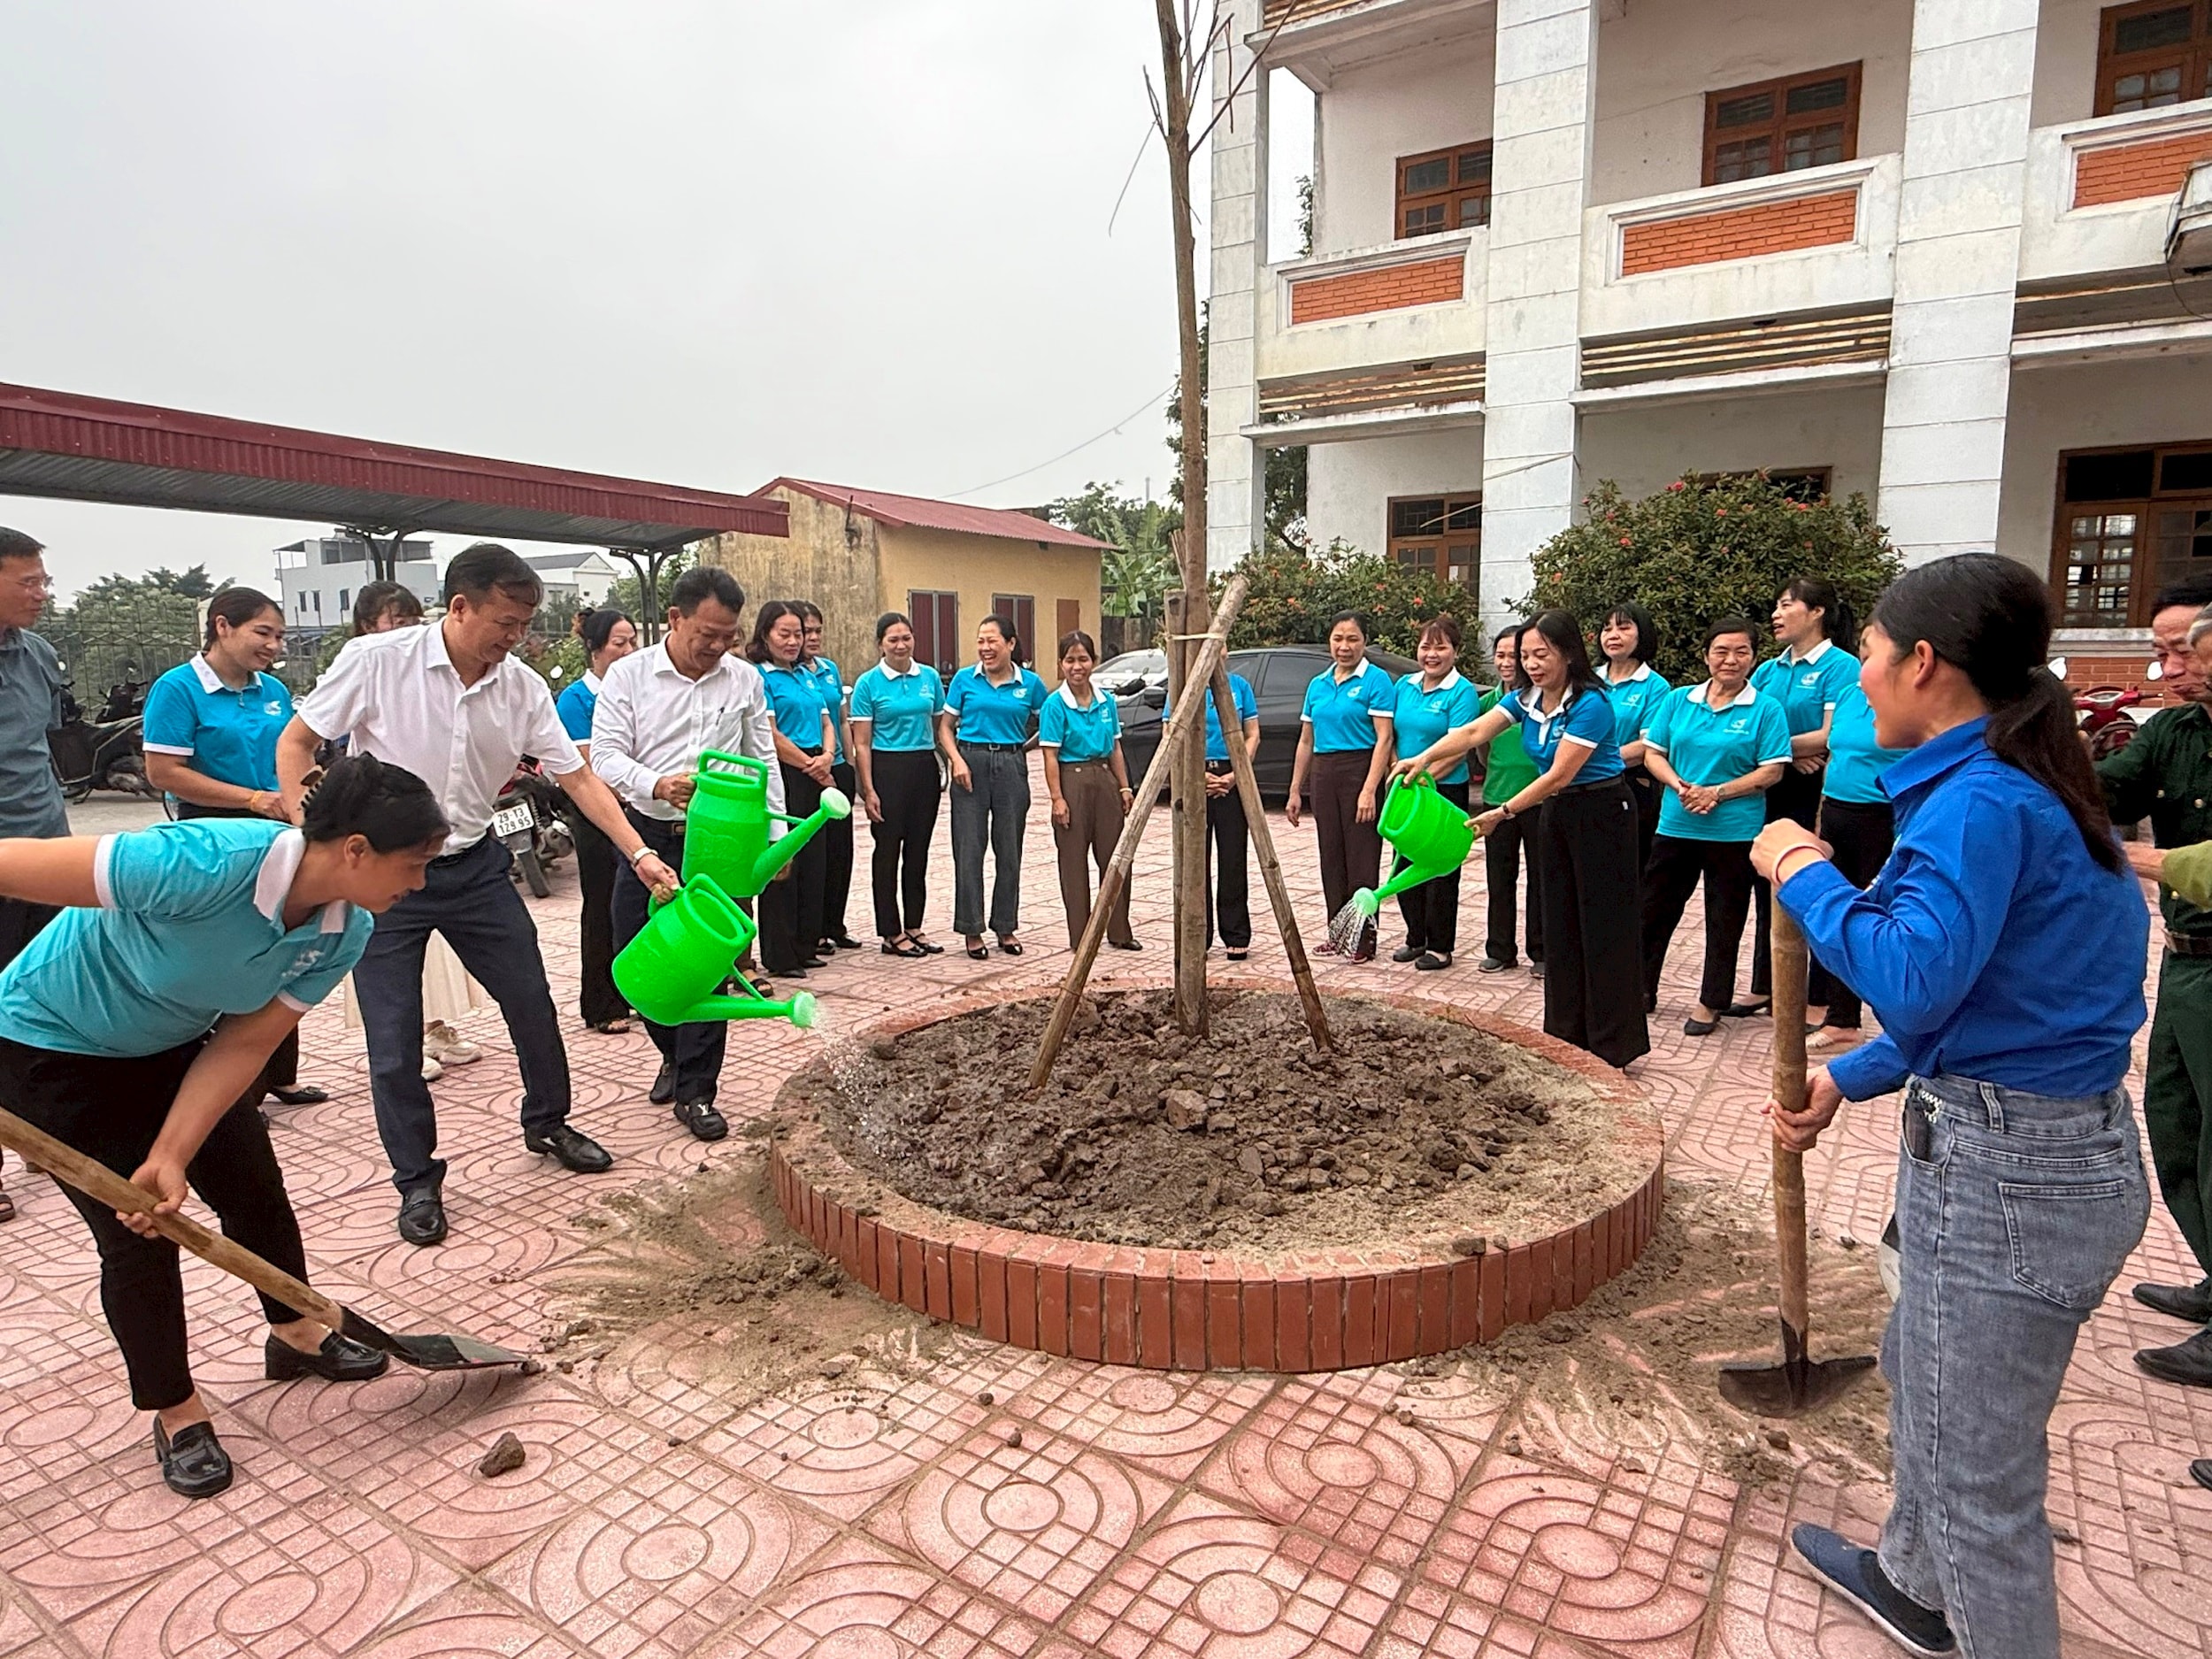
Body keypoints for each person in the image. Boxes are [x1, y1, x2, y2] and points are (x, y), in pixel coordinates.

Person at [1757, 553, 2149, 1659]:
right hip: (2032, 1144)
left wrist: (1801, 870)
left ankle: (1971, 1603)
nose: (1862, 685)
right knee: (1921, 1376)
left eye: (1871, 660)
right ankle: (1912, 1582)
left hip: (2008, 1179)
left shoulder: (1980, 803)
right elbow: (2002, 999)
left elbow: (1916, 975)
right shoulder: (2032, 784)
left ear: (1923, 664)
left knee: (1983, 1484)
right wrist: (1853, 1075)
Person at [0, 755, 450, 1496]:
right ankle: (175, 1408)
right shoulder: (202, 862)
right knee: (139, 1233)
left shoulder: (345, 931)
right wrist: (157, 1169)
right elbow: (16, 866)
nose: (421, 882)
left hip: (173, 1041)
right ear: (356, 850)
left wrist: (174, 1150)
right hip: (53, 1046)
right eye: (415, 863)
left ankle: (296, 1328)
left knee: (253, 1190)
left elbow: (244, 1041)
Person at [279, 543, 683, 1248]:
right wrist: (309, 843)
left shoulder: (521, 686)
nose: (515, 636)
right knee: (395, 1035)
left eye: (525, 622)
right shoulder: (378, 662)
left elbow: (579, 779)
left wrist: (639, 852)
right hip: (383, 885)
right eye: (505, 620)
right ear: (459, 606)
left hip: (474, 867)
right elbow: (297, 744)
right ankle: (416, 1180)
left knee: (530, 998)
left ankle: (548, 1121)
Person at [1398, 611, 1648, 1069]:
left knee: (1603, 927)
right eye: (1525, 655)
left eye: (1541, 654)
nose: (1531, 664)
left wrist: (1503, 812)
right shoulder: (1526, 697)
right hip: (1558, 813)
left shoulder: (1591, 704)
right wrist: (1424, 757)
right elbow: (1474, 731)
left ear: (1569, 653)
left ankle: (1614, 1043)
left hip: (1602, 813)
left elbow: (1559, 774)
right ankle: (1567, 1032)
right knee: (1560, 922)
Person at [592, 569, 780, 1138]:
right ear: (674, 619)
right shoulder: (627, 677)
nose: (718, 646)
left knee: (710, 968)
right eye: (708, 634)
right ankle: (671, 1050)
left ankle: (698, 1091)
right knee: (637, 957)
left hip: (718, 844)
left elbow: (762, 753)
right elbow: (602, 757)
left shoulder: (743, 679)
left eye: (728, 636)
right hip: (646, 837)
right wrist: (655, 784)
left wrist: (773, 834)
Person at [142, 588, 331, 1111]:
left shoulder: (269, 689)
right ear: (222, 627)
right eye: (263, 633)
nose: (273, 646)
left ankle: (279, 1075)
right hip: (213, 835)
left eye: (280, 636)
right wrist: (250, 798)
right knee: (226, 954)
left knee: (278, 948)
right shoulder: (177, 689)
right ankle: (231, 1092)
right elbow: (164, 772)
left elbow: (294, 753)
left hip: (276, 835)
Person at [2095, 574, 2212, 1383]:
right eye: (2164, 651)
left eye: (2185, 651)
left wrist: (2138, 859)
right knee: (2178, 1125)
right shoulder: (2174, 733)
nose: (2169, 669)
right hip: (2186, 959)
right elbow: (2102, 790)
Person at [343, 582, 480, 1082]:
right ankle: (401, 1044)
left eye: (411, 617)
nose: (404, 628)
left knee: (439, 957)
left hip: (439, 840)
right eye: (392, 619)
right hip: (384, 844)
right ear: (367, 625)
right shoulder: (364, 663)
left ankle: (437, 1026)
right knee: (388, 969)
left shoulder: (437, 669)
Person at [1636, 619, 1792, 1035]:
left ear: (1753, 658)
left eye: (1741, 652)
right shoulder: (1677, 700)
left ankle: (1711, 1001)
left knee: (1725, 919)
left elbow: (1772, 770)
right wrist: (1681, 786)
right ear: (1706, 656)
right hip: (1675, 824)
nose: (1731, 660)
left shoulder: (1766, 708)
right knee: (1654, 911)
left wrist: (1717, 793)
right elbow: (1654, 754)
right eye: (1721, 651)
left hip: (1734, 833)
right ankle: (1641, 988)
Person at [1740, 576, 1859, 1019]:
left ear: (1817, 612)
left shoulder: (1842, 668)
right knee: (1766, 883)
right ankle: (1765, 985)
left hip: (1818, 790)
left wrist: (1781, 749)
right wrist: (1789, 755)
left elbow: (1829, 736)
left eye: (1787, 604)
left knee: (1813, 883)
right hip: (1773, 783)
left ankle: (1818, 995)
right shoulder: (1768, 670)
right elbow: (1750, 732)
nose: (1776, 614)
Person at [0, 526, 67, 1224]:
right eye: (29, 581)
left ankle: (41, 1133)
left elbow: (38, 750)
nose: (42, 593)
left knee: (41, 996)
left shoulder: (38, 655)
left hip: (48, 858)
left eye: (43, 580)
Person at [1286, 612, 1395, 962]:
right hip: (1324, 772)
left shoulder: (1377, 681)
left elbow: (1383, 739)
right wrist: (1294, 789)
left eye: (1352, 639)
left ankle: (1363, 939)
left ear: (1365, 642)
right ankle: (1337, 933)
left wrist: (1368, 789)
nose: (1344, 646)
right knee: (1330, 855)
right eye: (1338, 639)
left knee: (1362, 858)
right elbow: (1306, 740)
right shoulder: (1318, 684)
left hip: (1359, 768)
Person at [1805, 677, 1905, 1055]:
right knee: (1835, 914)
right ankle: (1842, 1020)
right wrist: (1819, 821)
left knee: (1877, 919)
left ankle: (1897, 1024)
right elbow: (1835, 759)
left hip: (1883, 820)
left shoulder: (1904, 697)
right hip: (1836, 814)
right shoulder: (1848, 694)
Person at [554, 608, 638, 1034]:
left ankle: (643, 989)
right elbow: (586, 766)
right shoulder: (576, 699)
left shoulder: (639, 691)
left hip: (640, 810)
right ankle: (603, 1002)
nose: (627, 651)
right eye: (618, 643)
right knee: (604, 905)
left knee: (641, 905)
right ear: (595, 648)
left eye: (632, 642)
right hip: (596, 814)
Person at [944, 616, 1046, 959]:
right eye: (981, 641)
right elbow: (945, 727)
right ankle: (972, 929)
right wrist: (956, 760)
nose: (986, 649)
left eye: (993, 641)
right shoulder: (964, 680)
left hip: (1010, 767)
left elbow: (1050, 721)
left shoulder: (1030, 684)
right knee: (969, 850)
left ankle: (1006, 926)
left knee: (1009, 851)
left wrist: (1021, 750)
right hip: (969, 765)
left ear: (1011, 644)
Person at [849, 611, 950, 957]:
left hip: (923, 768)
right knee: (888, 852)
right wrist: (869, 789)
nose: (900, 645)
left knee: (918, 852)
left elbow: (938, 725)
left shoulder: (930, 678)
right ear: (881, 644)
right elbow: (861, 743)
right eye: (892, 639)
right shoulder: (868, 684)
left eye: (906, 637)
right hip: (887, 768)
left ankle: (915, 926)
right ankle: (890, 932)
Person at [1386, 617, 1481, 970]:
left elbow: (1459, 746)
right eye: (1426, 646)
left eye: (1440, 647)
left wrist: (1424, 777)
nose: (1432, 654)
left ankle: (1440, 946)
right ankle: (1415, 937)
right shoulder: (1404, 686)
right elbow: (1392, 735)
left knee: (1440, 869)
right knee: (1405, 862)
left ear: (1456, 651)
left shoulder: (1462, 692)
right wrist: (1399, 769)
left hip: (1443, 792)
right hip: (1406, 791)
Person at [749, 600, 836, 979]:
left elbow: (827, 720)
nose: (792, 641)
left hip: (817, 766)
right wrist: (809, 765)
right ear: (765, 634)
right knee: (784, 861)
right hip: (785, 773)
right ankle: (780, 953)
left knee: (815, 862)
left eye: (797, 634)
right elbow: (769, 734)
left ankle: (806, 943)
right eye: (783, 634)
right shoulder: (761, 677)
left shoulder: (805, 675)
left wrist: (828, 756)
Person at [1041, 630, 1139, 951]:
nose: (1077, 666)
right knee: (1073, 862)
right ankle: (1080, 938)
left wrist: (1124, 786)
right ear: (1061, 664)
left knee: (1116, 858)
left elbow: (1115, 749)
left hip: (1104, 778)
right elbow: (1051, 755)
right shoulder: (1055, 704)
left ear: (1094, 662)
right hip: (1072, 780)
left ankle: (1119, 931)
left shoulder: (1106, 701)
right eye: (1070, 660)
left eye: (1083, 659)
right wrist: (1058, 798)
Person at [1475, 626, 1543, 978]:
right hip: (1496, 800)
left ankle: (1541, 952)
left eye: (1513, 655)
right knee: (1499, 879)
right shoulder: (1488, 703)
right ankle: (1500, 949)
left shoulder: (1540, 701)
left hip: (1537, 800)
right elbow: (1482, 749)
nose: (1506, 662)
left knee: (1541, 879)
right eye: (1499, 655)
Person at [795, 601, 862, 954]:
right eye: (807, 631)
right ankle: (814, 928)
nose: (814, 637)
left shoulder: (829, 669)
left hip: (836, 767)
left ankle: (835, 923)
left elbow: (842, 718)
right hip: (809, 769)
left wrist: (848, 764)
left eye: (818, 630)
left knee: (841, 851)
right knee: (814, 854)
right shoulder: (789, 675)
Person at [1599, 603, 1671, 870]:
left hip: (1631, 789)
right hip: (1584, 788)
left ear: (1643, 635)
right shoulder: (1589, 682)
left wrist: (1592, 761)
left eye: (1623, 627)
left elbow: (1648, 745)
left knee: (1628, 872)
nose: (1613, 634)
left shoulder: (1656, 687)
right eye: (1607, 628)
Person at [1203, 666, 1261, 963]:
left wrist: (1236, 773)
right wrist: (1197, 775)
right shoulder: (1184, 687)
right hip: (1195, 776)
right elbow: (1169, 733)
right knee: (1195, 862)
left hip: (1233, 776)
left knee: (1233, 858)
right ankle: (1197, 935)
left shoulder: (1240, 686)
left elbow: (1252, 735)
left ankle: (1236, 934)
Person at [351, 581, 423, 634]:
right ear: (368, 627)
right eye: (401, 622)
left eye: (416, 622)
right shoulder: (357, 653)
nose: (412, 628)